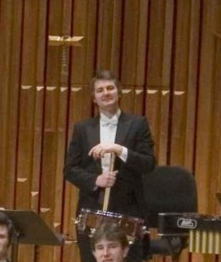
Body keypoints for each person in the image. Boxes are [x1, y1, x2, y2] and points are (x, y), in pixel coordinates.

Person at [64, 67, 157, 220]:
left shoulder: (138, 124)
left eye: (110, 88)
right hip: (92, 206)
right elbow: (70, 169)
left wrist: (120, 150)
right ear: (94, 98)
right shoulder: (82, 128)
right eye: (100, 90)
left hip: (129, 208)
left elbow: (148, 164)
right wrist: (96, 180)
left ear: (119, 93)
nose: (105, 93)